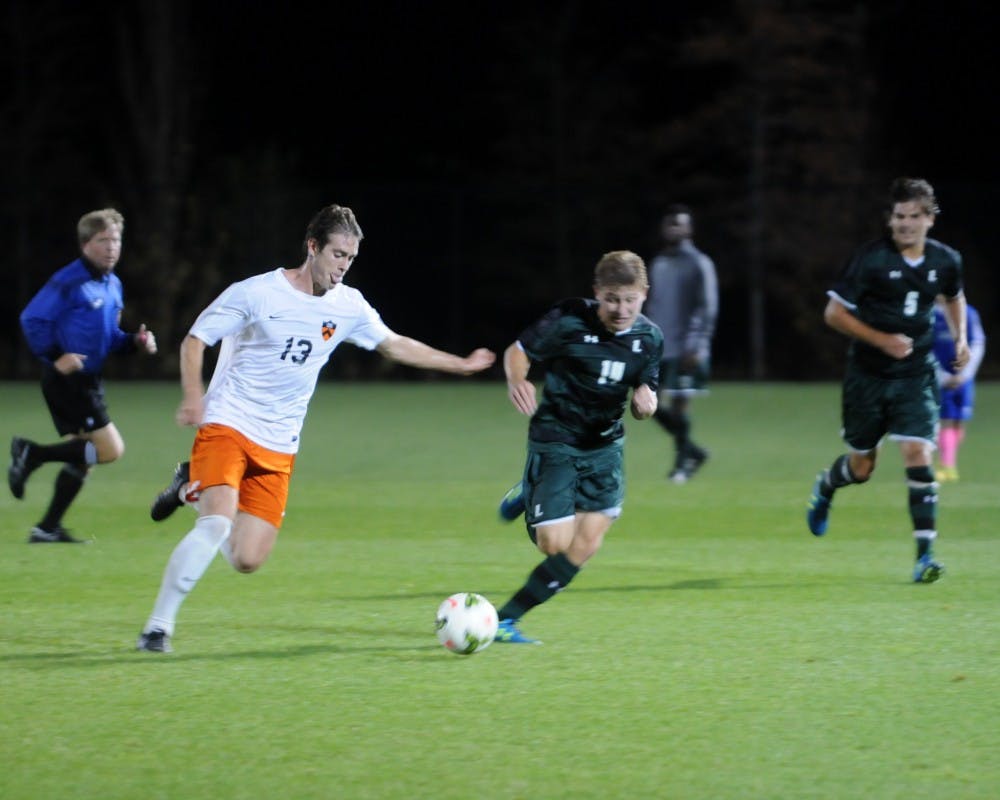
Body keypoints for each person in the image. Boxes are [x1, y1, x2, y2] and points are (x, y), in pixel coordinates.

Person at [136, 204, 495, 653]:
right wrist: (193, 395)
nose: (343, 266)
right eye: (338, 254)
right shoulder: (256, 293)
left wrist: (459, 364)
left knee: (247, 559)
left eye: (351, 258)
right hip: (228, 421)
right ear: (312, 247)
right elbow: (195, 340)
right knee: (216, 524)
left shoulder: (348, 306)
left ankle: (190, 488)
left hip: (279, 442)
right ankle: (157, 628)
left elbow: (393, 344)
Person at [493, 250, 662, 643]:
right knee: (554, 544)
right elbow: (518, 352)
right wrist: (517, 379)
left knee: (584, 547)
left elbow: (647, 388)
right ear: (597, 292)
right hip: (557, 439)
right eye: (612, 299)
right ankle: (530, 490)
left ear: (644, 294)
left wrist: (646, 403)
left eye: (630, 300)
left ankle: (505, 621)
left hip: (605, 448)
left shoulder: (650, 338)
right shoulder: (568, 318)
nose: (621, 310)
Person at [806, 177, 968, 584]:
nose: (905, 224)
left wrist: (961, 339)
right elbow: (833, 314)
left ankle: (925, 556)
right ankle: (826, 486)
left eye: (913, 216)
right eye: (899, 216)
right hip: (868, 376)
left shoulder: (946, 260)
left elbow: (954, 296)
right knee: (862, 467)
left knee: (917, 452)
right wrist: (883, 341)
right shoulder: (871, 260)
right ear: (890, 219)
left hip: (916, 375)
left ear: (929, 219)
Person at [9, 208, 158, 543]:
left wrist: (135, 342)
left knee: (84, 457)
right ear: (85, 244)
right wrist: (55, 356)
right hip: (67, 383)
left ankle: (47, 528)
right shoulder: (69, 281)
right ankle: (31, 453)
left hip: (89, 381)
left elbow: (110, 338)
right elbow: (31, 319)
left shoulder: (113, 284)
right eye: (103, 240)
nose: (111, 247)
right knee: (110, 450)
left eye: (116, 240)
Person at [643, 204, 718, 483]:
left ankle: (681, 465)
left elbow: (707, 307)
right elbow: (651, 305)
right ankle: (692, 451)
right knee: (647, 403)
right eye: (670, 224)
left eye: (680, 224)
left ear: (690, 229)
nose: (674, 229)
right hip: (660, 346)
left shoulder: (700, 262)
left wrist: (697, 345)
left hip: (687, 348)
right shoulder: (659, 263)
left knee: (679, 404)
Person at [933, 299, 985, 481]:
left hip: (964, 378)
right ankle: (947, 465)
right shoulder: (930, 314)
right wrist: (942, 376)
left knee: (958, 422)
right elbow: (925, 347)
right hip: (941, 378)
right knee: (945, 420)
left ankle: (948, 462)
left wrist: (965, 374)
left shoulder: (969, 313)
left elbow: (978, 343)